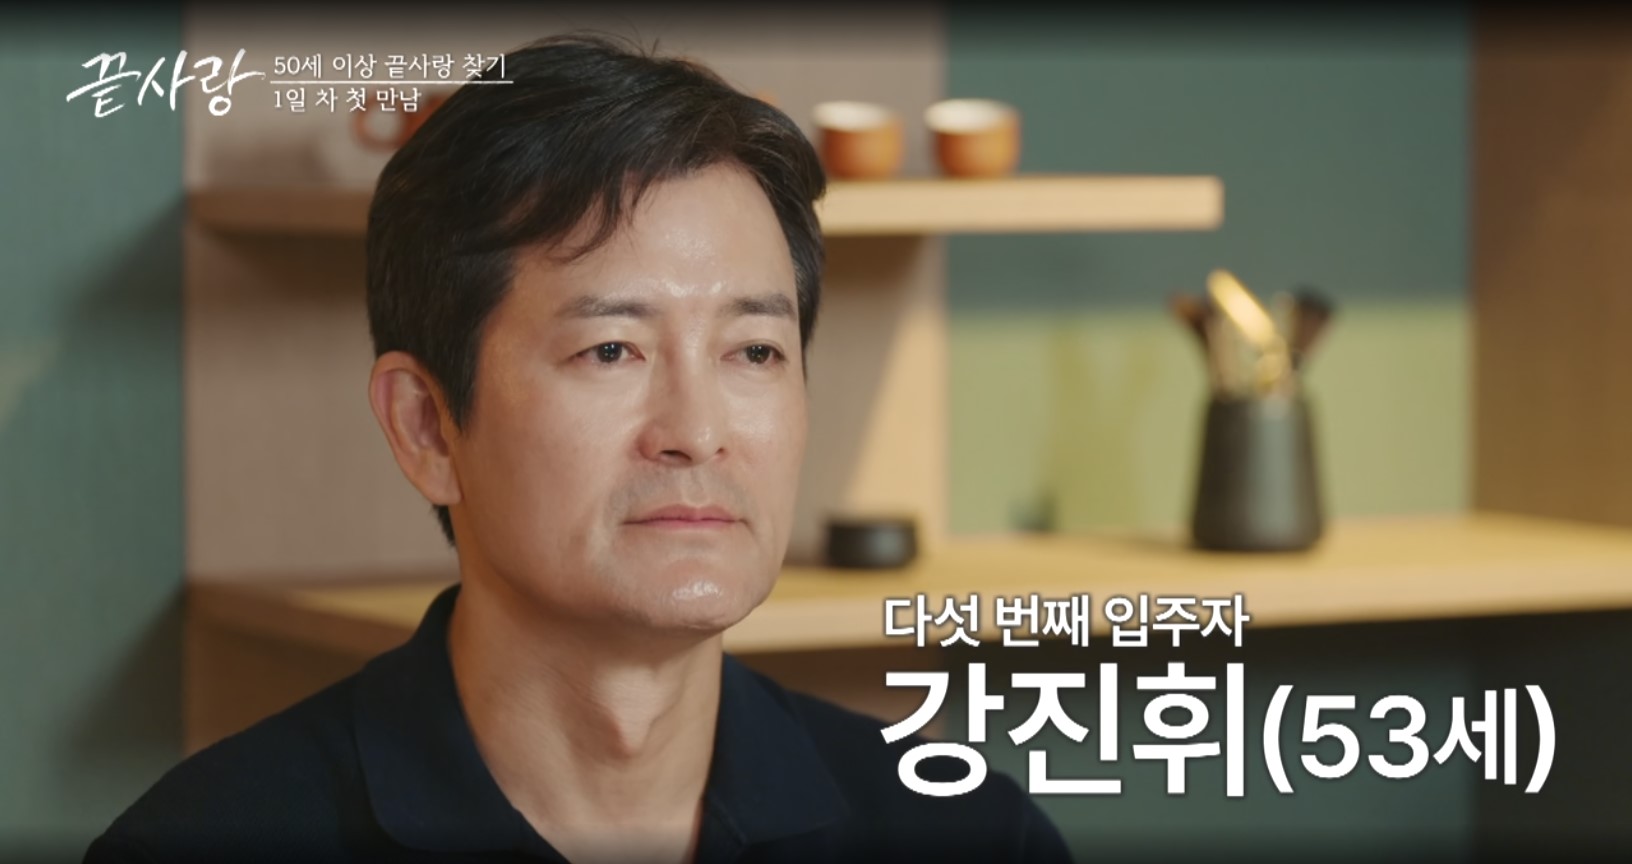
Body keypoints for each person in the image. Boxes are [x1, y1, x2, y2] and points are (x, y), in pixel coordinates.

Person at [85, 33, 1072, 864]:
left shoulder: (971, 834)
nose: (697, 432)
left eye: (754, 351)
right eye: (610, 350)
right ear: (427, 427)